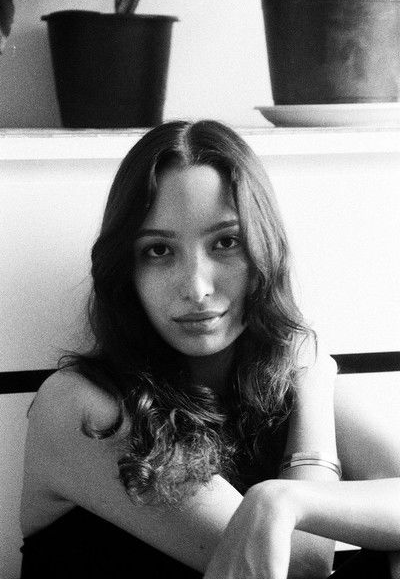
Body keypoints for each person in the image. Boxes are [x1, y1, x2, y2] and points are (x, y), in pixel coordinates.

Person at [20, 119, 400, 579]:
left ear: (263, 252)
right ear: (126, 270)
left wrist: (282, 498)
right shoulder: (80, 408)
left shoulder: (282, 377)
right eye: (159, 250)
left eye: (226, 242)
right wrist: (315, 390)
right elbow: (301, 566)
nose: (197, 288)